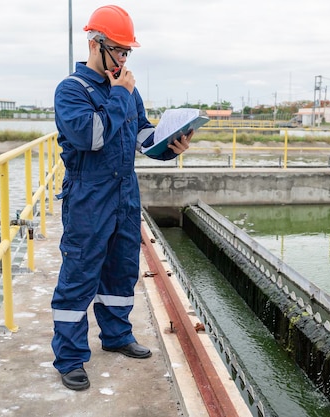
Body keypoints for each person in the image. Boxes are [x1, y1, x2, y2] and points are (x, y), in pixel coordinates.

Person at [50, 4, 193, 391]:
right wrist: (118, 94)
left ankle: (116, 336)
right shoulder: (72, 90)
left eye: (128, 51)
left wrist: (170, 146)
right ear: (95, 44)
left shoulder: (128, 90)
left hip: (124, 194)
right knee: (79, 274)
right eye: (118, 50)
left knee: (121, 269)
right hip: (88, 196)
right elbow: (91, 137)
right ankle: (69, 358)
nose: (124, 59)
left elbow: (143, 136)